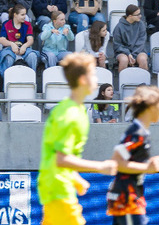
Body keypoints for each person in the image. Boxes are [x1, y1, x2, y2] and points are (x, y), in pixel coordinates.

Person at [38, 54, 117, 225]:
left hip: (57, 186)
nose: (96, 80)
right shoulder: (69, 114)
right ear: (83, 80)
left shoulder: (78, 109)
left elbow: (61, 154)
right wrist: (100, 166)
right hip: (57, 188)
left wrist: (76, 178)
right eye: (93, 75)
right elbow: (61, 158)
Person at [106, 85, 159, 222]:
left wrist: (149, 162)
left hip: (132, 195)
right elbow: (116, 162)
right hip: (126, 198)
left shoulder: (140, 132)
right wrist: (148, 168)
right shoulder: (137, 133)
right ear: (151, 107)